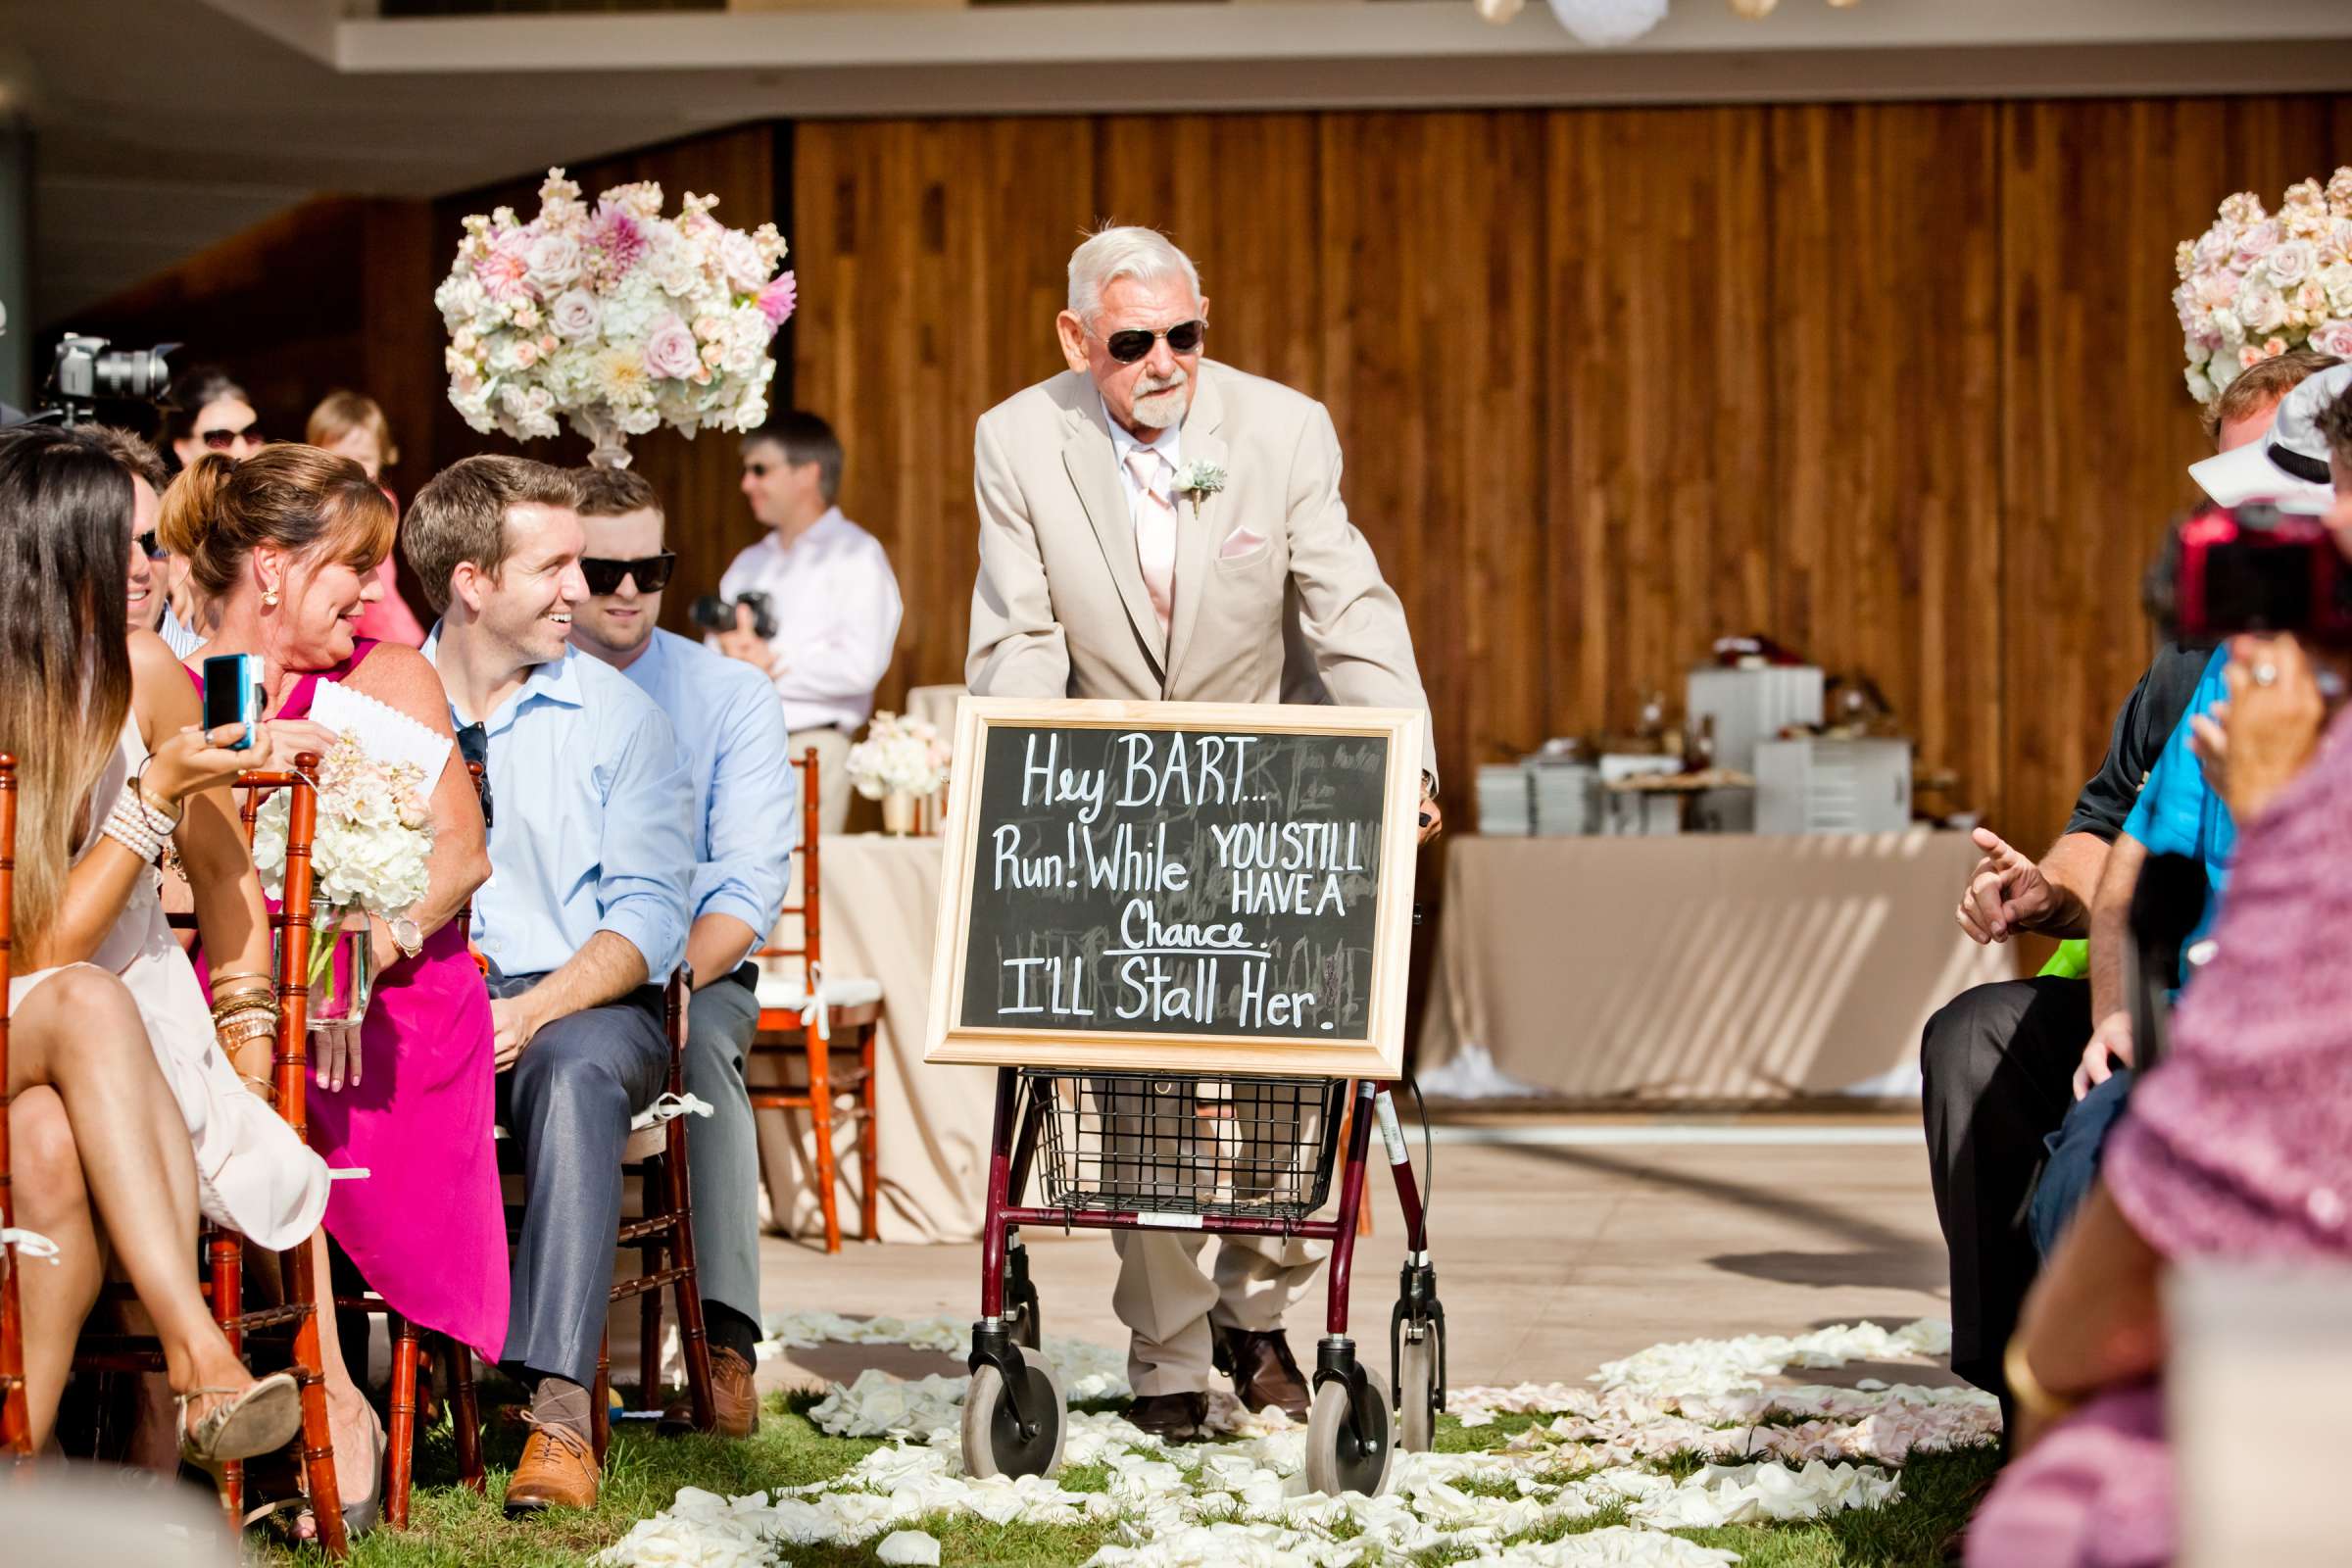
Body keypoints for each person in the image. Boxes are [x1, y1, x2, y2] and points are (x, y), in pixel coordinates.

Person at [964, 224, 1441, 1440]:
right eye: (1133, 343)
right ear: (1079, 340)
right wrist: (1017, 777)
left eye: (1187, 334)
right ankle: (1167, 1352)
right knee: (1142, 1098)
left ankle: (1258, 1309)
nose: (1165, 361)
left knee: (1296, 1069)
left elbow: (1349, 611)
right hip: (1113, 809)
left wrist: (1410, 765)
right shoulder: (1020, 439)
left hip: (1265, 798)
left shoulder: (1284, 429)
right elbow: (1019, 634)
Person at [1918, 347, 2336, 1413]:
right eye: (2237, 493)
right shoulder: (2207, 670)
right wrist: (2059, 916)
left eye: (2287, 485)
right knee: (1982, 1042)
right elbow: (2114, 838)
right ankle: (2033, 1399)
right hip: (2175, 992)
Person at [1963, 623, 2352, 1568]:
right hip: (2201, 1016)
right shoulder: (2219, 667)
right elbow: (2120, 856)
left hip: (2295, 1040)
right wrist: (2115, 1017)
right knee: (2063, 1114)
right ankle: (2057, 1431)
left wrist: (2279, 815)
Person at [173, 442, 504, 1532]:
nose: (374, 593)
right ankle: (313, 1397)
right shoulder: (174, 693)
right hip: (235, 986)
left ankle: (324, 1403)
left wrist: (367, 941)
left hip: (387, 995)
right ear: (270, 568)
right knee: (229, 1060)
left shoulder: (389, 675)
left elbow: (462, 851)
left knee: (274, 1078)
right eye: (349, 568)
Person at [0, 425, 304, 1468]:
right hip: (34, 1005)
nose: (150, 564)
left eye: (151, 542)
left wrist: (252, 1057)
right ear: (49, 548)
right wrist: (150, 799)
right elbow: (32, 948)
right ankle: (201, 1362)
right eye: (122, 542)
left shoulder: (148, 671)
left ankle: (23, 1475)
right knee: (82, 998)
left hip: (121, 1041)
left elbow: (227, 889)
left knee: (43, 1141)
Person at [405, 455, 694, 1513]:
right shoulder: (385, 702)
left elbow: (651, 919)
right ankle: (345, 1379)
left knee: (568, 1076)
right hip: (421, 992)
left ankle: (562, 1413)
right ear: (473, 582)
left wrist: (528, 1011)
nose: (584, 588)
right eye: (556, 564)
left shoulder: (619, 718)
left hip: (584, 1004)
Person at [566, 466, 795, 1441]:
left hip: (689, 969)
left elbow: (745, 888)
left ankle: (725, 1343)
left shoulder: (729, 694)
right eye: (601, 568)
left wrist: (670, 980)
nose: (627, 589)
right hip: (554, 969)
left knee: (697, 1048)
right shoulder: (523, 683)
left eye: (648, 569)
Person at [712, 413, 902, 833]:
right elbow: (714, 651)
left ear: (807, 474)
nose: (747, 484)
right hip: (733, 748)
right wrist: (733, 658)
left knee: (797, 888)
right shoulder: (749, 562)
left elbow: (860, 666)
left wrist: (770, 662)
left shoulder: (856, 555)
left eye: (760, 469)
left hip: (809, 747)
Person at [152, 366, 266, 659]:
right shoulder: (153, 533)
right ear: (183, 449)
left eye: (251, 433)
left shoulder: (281, 516)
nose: (241, 447)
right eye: (219, 438)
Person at [306, 391, 428, 649]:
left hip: (381, 625)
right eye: (342, 461)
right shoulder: (315, 503)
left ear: (384, 456)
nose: (356, 472)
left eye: (364, 459)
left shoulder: (380, 503)